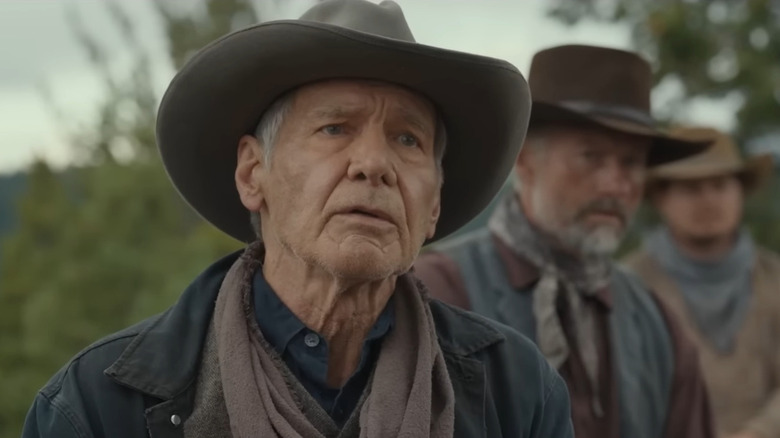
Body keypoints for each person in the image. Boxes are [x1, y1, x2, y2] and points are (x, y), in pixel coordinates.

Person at [21, 1, 574, 437]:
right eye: (335, 128)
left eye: (407, 139)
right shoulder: (96, 408)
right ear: (252, 173)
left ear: (433, 204)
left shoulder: (517, 393)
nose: (374, 165)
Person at [414, 44, 715, 438]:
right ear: (523, 160)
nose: (615, 184)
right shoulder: (435, 291)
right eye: (591, 157)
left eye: (631, 163)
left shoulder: (657, 323)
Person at [623, 126, 779, 438]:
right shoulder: (628, 286)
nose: (708, 200)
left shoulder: (774, 278)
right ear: (662, 198)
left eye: (720, 185)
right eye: (691, 188)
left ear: (740, 192)